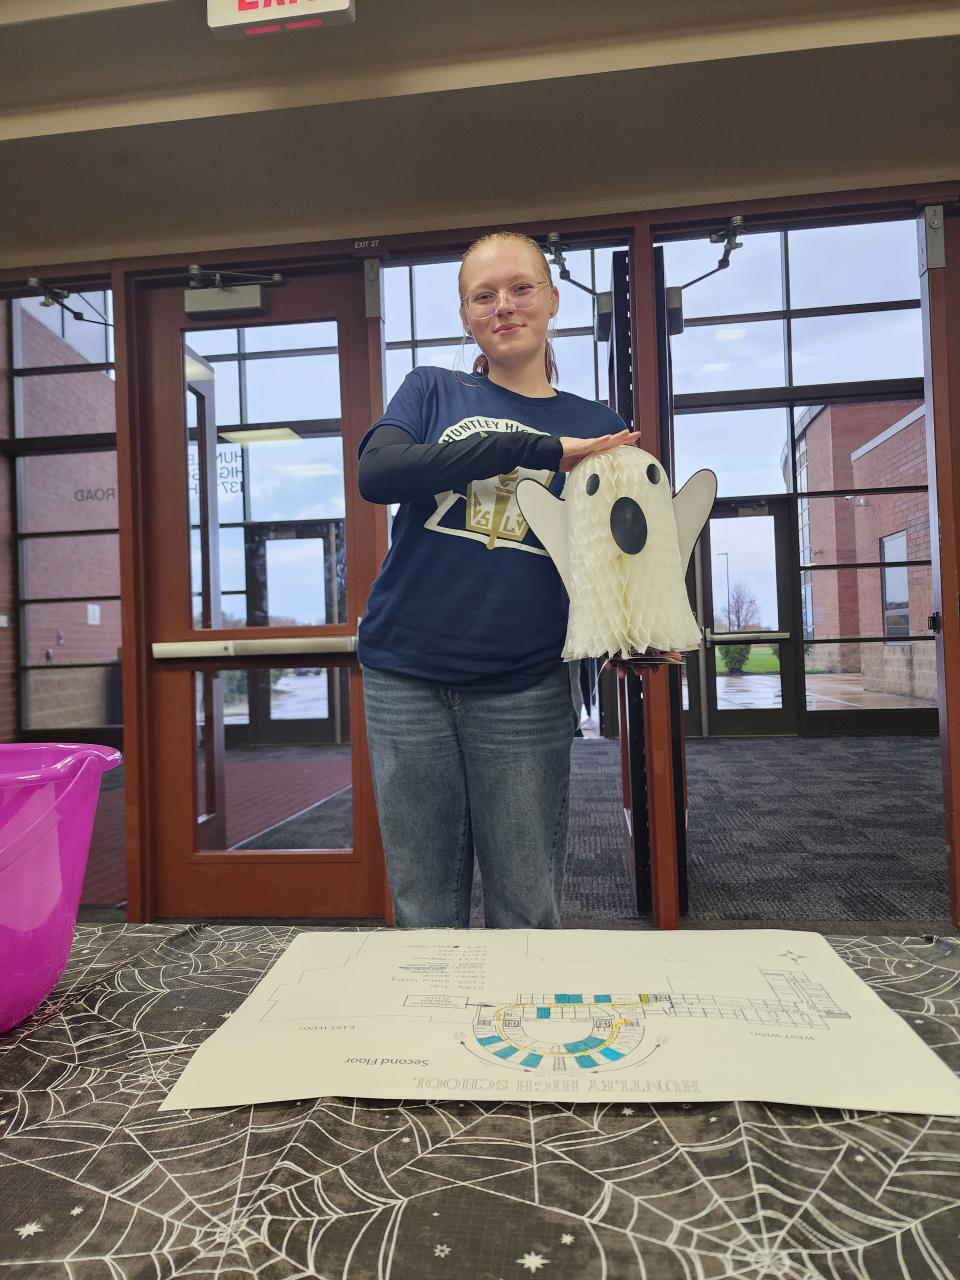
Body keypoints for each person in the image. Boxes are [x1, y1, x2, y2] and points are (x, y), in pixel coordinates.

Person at [357, 230, 640, 929]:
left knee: (526, 904)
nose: (504, 306)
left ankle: (521, 1010)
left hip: (526, 683)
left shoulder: (597, 426)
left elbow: (616, 558)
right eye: (483, 296)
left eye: (520, 288)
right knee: (423, 906)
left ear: (552, 300)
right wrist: (535, 449)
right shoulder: (432, 389)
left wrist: (637, 628)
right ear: (465, 316)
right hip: (405, 674)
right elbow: (379, 473)